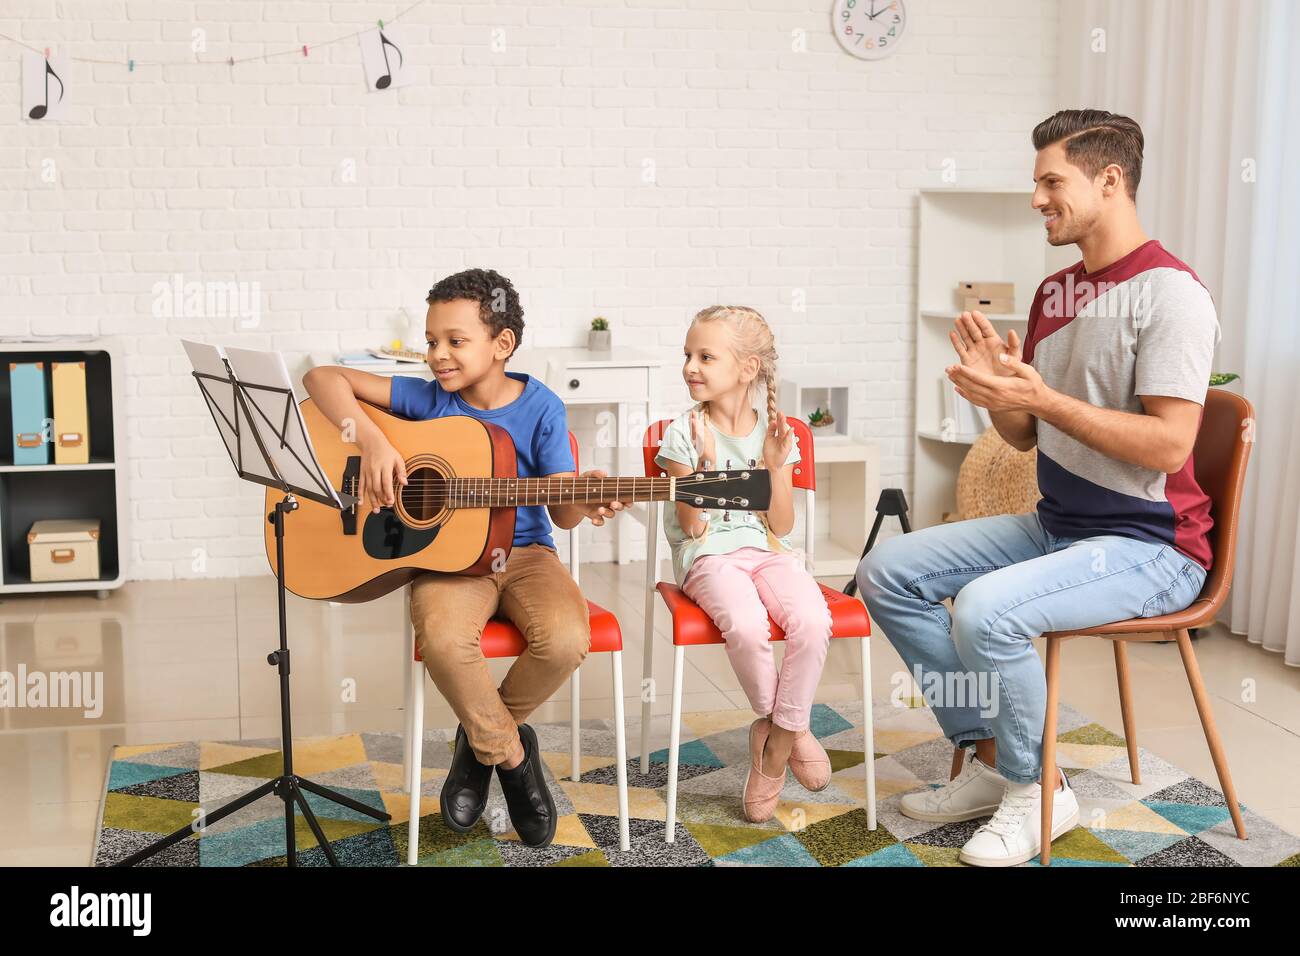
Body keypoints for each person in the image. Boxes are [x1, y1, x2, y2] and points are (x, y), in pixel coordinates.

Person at [858, 109, 1220, 866]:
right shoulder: (1058, 292)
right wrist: (1001, 397)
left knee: (987, 612)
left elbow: (1171, 443)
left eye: (1051, 181)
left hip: (1151, 544)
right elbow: (1030, 437)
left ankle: (1038, 791)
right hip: (1061, 523)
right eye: (1036, 183)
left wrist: (1045, 400)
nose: (1036, 199)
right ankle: (995, 757)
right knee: (886, 571)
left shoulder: (1171, 295)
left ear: (1110, 180)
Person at [303, 268, 627, 849]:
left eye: (455, 341)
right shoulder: (426, 397)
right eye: (431, 341)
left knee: (566, 638)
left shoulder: (543, 409)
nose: (438, 355)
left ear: (502, 345)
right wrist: (372, 441)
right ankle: (511, 756)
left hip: (526, 555)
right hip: (449, 559)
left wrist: (583, 496)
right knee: (446, 641)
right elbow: (321, 376)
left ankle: (475, 748)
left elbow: (563, 515)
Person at [654, 305, 834, 823]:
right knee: (748, 623)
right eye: (687, 354)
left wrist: (776, 467)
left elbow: (780, 526)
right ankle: (788, 728)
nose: (690, 365)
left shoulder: (776, 433)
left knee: (813, 618)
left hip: (766, 552)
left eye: (705, 356)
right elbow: (691, 527)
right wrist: (701, 477)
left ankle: (772, 743)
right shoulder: (684, 432)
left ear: (748, 367)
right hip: (708, 555)